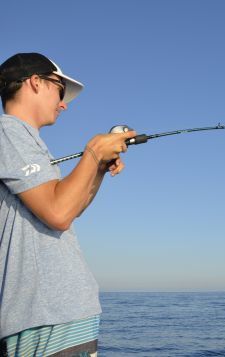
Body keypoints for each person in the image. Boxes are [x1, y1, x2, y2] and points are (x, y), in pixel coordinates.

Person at [0, 53, 136, 356]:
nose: (63, 104)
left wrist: (98, 166)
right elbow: (58, 213)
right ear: (35, 82)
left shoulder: (25, 141)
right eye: (60, 92)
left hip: (63, 316)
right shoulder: (7, 132)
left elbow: (68, 209)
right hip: (45, 317)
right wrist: (92, 151)